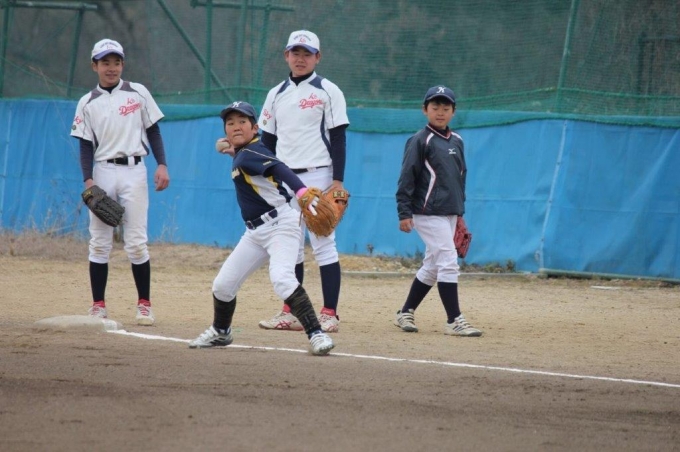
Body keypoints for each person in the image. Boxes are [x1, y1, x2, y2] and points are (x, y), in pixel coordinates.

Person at [189, 101, 335, 356]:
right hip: (255, 233)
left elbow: (279, 167)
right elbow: (254, 165)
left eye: (242, 122)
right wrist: (234, 152)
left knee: (282, 279)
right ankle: (221, 331)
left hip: (281, 226)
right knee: (222, 286)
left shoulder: (252, 151)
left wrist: (301, 191)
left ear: (255, 128)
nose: (236, 126)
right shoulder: (245, 154)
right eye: (230, 123)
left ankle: (317, 334)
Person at [70, 39, 170, 326]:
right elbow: (85, 145)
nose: (111, 68)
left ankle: (144, 305)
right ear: (95, 66)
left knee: (136, 243)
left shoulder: (137, 92)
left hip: (134, 170)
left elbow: (153, 131)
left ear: (123, 64)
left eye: (116, 62)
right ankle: (98, 305)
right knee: (100, 242)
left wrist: (162, 164)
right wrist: (88, 181)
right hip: (102, 171)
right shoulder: (87, 102)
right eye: (105, 62)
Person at [257, 30, 349, 333]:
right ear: (286, 56)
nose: (300, 58)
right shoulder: (275, 94)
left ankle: (329, 313)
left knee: (324, 243)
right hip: (284, 176)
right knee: (290, 246)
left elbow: (338, 137)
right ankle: (292, 312)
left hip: (318, 175)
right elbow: (267, 142)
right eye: (295, 52)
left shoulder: (328, 90)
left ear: (317, 57)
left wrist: (337, 181)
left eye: (306, 53)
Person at [394, 85, 482, 337]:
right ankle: (454, 319)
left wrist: (459, 213)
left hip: (450, 212)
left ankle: (405, 311)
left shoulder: (457, 140)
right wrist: (404, 212)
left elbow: (460, 178)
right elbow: (407, 177)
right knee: (448, 260)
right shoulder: (420, 140)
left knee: (433, 265)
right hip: (427, 211)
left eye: (446, 107)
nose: (440, 112)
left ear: (453, 111)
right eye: (435, 107)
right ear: (425, 110)